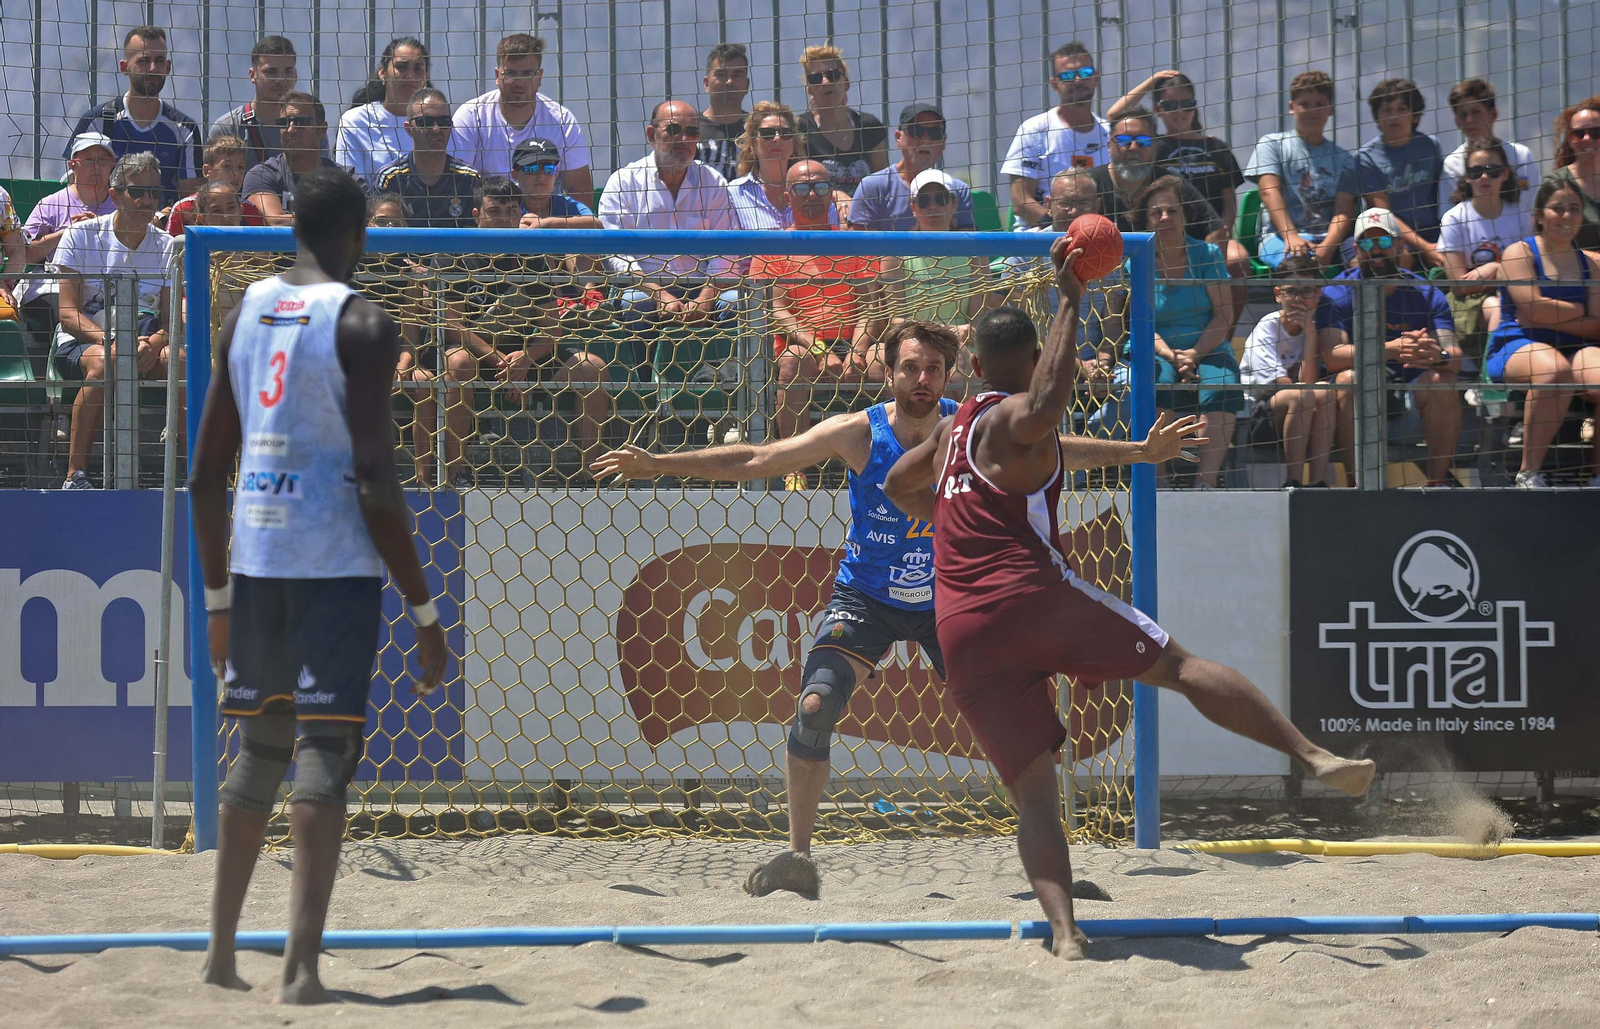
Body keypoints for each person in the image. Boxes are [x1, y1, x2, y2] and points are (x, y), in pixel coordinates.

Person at [881, 242, 1375, 958]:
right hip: (1030, 596)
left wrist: (949, 517)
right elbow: (1044, 410)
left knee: (1034, 793)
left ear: (973, 369)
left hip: (961, 627)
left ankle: (1065, 933)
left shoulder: (956, 430)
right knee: (1179, 666)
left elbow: (898, 483)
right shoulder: (1018, 415)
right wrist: (1072, 296)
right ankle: (1313, 756)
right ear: (1031, 361)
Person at [189, 166, 446, 1005]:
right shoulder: (364, 322)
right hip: (332, 565)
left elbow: (204, 475)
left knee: (259, 751)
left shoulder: (243, 312)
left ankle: (220, 952)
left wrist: (217, 601)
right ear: (360, 237)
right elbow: (374, 477)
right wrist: (424, 609)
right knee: (323, 755)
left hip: (256, 559)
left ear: (293, 227)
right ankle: (300, 965)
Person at [589, 320, 960, 894]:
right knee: (814, 706)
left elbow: (1048, 452)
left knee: (1004, 712)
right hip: (867, 597)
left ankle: (1051, 852)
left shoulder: (968, 427)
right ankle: (797, 857)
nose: (921, 379)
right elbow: (757, 457)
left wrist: (1126, 455)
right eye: (910, 367)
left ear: (948, 375)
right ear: (889, 372)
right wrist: (659, 463)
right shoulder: (857, 433)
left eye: (932, 369)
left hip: (950, 595)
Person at [443, 177, 611, 486]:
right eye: (495, 211)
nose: (504, 219)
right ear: (477, 215)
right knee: (458, 362)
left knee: (593, 369)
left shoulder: (531, 257)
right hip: (478, 354)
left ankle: (590, 473)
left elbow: (552, 329)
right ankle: (457, 472)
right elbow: (454, 326)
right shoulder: (456, 254)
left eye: (511, 211)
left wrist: (526, 359)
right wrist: (500, 362)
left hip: (523, 356)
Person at [1093, 175, 1240, 486]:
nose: (1164, 218)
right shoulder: (1135, 260)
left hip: (1208, 346)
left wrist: (1194, 354)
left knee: (1223, 386)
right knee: (1155, 381)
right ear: (1146, 220)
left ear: (1185, 215)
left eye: (1172, 211)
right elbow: (1139, 321)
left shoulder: (1208, 254)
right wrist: (1171, 356)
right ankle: (1157, 482)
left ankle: (1205, 483)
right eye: (1155, 213)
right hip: (1153, 347)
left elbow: (1223, 316)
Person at [750, 161, 886, 469]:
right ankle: (792, 467)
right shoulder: (772, 247)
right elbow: (776, 309)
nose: (812, 194)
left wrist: (857, 352)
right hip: (803, 347)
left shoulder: (855, 243)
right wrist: (819, 350)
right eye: (802, 188)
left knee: (893, 361)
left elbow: (870, 306)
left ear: (831, 193)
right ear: (787, 196)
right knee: (792, 361)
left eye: (820, 187)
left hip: (854, 345)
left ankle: (895, 462)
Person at [52, 152, 176, 490]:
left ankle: (190, 470)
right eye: (137, 191)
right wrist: (113, 341)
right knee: (105, 364)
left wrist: (156, 342)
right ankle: (74, 475)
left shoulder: (167, 246)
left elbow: (172, 318)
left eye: (154, 192)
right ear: (115, 195)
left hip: (146, 341)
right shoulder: (80, 236)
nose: (147, 200)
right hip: (86, 341)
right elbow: (68, 314)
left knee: (182, 363)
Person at [1316, 208, 1463, 487]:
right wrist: (1391, 349)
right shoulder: (1335, 292)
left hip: (1410, 402)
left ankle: (1438, 484)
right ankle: (1356, 487)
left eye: (1383, 242)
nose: (1375, 250)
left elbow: (1453, 356)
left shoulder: (1427, 292)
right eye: (1366, 244)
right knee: (1347, 380)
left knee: (1443, 381)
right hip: (1357, 408)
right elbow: (1333, 356)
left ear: (1399, 245)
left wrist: (1437, 355)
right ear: (1356, 249)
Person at [599, 100, 741, 373]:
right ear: (651, 135)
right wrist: (659, 294)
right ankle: (642, 388)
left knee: (736, 302)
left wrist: (706, 297)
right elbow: (616, 254)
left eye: (692, 132)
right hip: (643, 287)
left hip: (703, 286)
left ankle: (728, 387)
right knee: (635, 303)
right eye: (674, 130)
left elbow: (728, 251)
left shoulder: (713, 182)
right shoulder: (624, 181)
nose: (683, 139)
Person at [1481, 179, 1600, 488]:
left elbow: (1594, 325)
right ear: (1538, 215)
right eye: (1557, 208)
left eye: (1574, 208)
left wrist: (1549, 314)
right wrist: (1578, 310)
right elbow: (1532, 311)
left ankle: (1597, 477)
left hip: (1576, 345)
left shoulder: (1590, 264)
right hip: (1517, 343)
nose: (1567, 216)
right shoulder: (1518, 253)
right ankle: (1528, 474)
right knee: (1554, 371)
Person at [68, 25, 202, 205]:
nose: (153, 68)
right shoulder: (97, 122)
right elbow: (75, 189)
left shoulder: (185, 129)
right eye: (144, 61)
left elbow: (190, 202)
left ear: (168, 67)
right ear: (124, 67)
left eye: (159, 60)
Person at [449, 33, 593, 198]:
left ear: (539, 77)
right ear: (497, 76)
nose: (519, 82)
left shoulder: (562, 121)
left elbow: (580, 192)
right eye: (510, 73)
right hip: (489, 213)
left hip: (545, 213)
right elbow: (456, 185)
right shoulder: (470, 117)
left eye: (527, 74)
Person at [1244, 70, 1358, 271]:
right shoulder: (1272, 145)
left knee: (1367, 262)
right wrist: (1291, 236)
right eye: (1304, 104)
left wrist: (1327, 249)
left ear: (1331, 109)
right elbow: (1269, 192)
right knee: (1300, 267)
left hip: (1330, 239)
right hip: (1279, 237)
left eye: (1320, 104)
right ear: (1291, 107)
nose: (1312, 111)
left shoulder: (1343, 159)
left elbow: (1343, 211)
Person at [1239, 254, 1336, 487]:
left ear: (1318, 294)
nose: (1298, 299)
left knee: (1327, 392)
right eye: (1291, 291)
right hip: (1257, 418)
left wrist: (1310, 335)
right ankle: (1293, 481)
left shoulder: (1315, 328)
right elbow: (1282, 385)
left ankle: (1318, 482)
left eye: (1307, 291)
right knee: (1301, 395)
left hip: (1302, 412)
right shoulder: (1267, 326)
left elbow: (1309, 382)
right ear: (1278, 294)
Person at [1109, 70, 1244, 232]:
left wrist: (1223, 232)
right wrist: (1151, 82)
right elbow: (1114, 116)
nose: (1179, 112)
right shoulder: (1151, 147)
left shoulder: (1216, 148)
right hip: (1166, 232)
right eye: (1170, 106)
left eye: (1187, 105)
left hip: (1210, 232)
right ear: (1157, 109)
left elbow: (1229, 201)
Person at [880, 169, 996, 356]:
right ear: (913, 207)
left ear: (954, 204)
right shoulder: (895, 255)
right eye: (924, 201)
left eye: (941, 199)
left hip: (960, 347)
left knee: (963, 361)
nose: (933, 206)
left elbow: (978, 318)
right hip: (911, 344)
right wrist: (946, 331)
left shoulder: (975, 253)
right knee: (875, 358)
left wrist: (957, 338)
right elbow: (896, 321)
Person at [1002, 41, 1112, 230]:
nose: (1078, 80)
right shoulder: (1034, 130)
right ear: (1054, 84)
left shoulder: (1110, 134)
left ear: (1096, 77)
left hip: (1097, 236)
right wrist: (1062, 230)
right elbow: (1020, 201)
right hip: (1041, 236)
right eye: (1067, 75)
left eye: (1085, 72)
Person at [15, 132, 118, 333]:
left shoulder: (121, 205)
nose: (97, 167)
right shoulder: (50, 204)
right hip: (56, 283)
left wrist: (101, 228)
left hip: (109, 283)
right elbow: (25, 254)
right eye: (89, 160)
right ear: (72, 164)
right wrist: (70, 232)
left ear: (112, 165)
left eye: (103, 161)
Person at [1437, 138, 1531, 357]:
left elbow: (1530, 271)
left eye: (1493, 170)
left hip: (1516, 293)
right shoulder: (1454, 218)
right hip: (1470, 302)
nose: (1484, 177)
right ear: (1467, 177)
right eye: (1476, 172)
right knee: (1497, 307)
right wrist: (1505, 272)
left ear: (1505, 174)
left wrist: (1495, 268)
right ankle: (1491, 373)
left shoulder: (1521, 217)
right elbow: (1460, 285)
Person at [1356, 78, 1445, 266]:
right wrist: (1425, 248)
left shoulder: (1430, 146)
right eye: (1387, 110)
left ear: (1415, 116)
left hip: (1434, 230)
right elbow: (1384, 213)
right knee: (1401, 260)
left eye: (1401, 109)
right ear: (1377, 116)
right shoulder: (1367, 158)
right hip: (1393, 234)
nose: (1393, 116)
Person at [849, 103, 976, 232]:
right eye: (916, 131)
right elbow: (862, 243)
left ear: (943, 141)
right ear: (898, 137)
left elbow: (966, 243)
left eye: (935, 133)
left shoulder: (959, 190)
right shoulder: (872, 188)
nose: (925, 139)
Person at [369, 88, 481, 229]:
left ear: (451, 126)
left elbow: (475, 236)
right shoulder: (390, 180)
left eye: (443, 121)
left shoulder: (469, 179)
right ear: (409, 129)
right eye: (425, 122)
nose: (436, 129)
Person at [726, 102, 844, 231]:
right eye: (767, 133)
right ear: (752, 144)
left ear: (793, 143)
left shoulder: (819, 193)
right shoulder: (734, 192)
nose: (777, 138)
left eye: (786, 133)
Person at [243, 92, 356, 225]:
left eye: (301, 122)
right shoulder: (261, 175)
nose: (290, 130)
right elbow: (275, 221)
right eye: (284, 122)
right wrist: (334, 220)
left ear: (321, 130)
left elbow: (362, 220)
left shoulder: (347, 178)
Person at [794, 45, 888, 196]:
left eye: (833, 75)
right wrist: (836, 197)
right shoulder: (800, 129)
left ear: (846, 83)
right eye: (815, 78)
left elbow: (882, 186)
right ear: (810, 90)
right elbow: (798, 186)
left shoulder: (869, 126)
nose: (825, 82)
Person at [335, 37, 430, 184]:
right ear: (382, 73)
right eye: (401, 67)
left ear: (426, 77)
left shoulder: (438, 122)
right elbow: (350, 185)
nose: (410, 75)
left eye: (418, 69)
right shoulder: (355, 122)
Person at [1439, 80, 1538, 215]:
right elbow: (1449, 211)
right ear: (1456, 122)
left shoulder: (1520, 155)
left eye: (1476, 112)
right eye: (1463, 115)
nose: (1469, 120)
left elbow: (1533, 205)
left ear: (1493, 114)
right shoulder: (1452, 165)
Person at [210, 35, 302, 170]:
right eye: (271, 71)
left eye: (288, 71)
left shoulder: (309, 127)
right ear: (252, 75)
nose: (281, 79)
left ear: (296, 75)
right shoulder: (228, 129)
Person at [166, 136, 267, 234]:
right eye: (227, 166)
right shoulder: (183, 209)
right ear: (207, 171)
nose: (236, 173)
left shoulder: (250, 210)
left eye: (240, 167)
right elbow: (171, 243)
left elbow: (261, 245)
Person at [1547, 96, 1600, 252]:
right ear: (1570, 140)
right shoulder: (1555, 183)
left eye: (1596, 132)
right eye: (1578, 133)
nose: (1587, 138)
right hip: (1576, 266)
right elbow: (1548, 243)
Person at [509, 138, 600, 229]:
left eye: (549, 168)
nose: (541, 175)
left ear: (556, 174)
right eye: (532, 169)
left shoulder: (567, 205)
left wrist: (548, 223)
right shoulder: (506, 205)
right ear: (515, 174)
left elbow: (597, 225)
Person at [696, 42, 751, 181]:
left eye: (737, 75)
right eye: (721, 74)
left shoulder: (758, 130)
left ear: (747, 84)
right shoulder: (689, 129)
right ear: (706, 84)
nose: (729, 82)